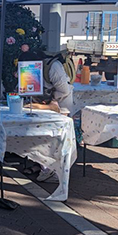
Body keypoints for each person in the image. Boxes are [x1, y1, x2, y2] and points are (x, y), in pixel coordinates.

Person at [17, 49, 74, 182]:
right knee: (39, 133)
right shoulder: (30, 69)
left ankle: (54, 169)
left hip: (62, 101)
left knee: (55, 136)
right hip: (44, 102)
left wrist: (50, 104)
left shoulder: (53, 67)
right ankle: (41, 164)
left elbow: (64, 90)